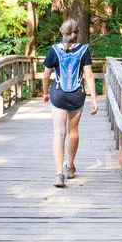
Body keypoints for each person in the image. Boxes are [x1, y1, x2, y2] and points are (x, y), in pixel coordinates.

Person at [41, 19, 97, 188]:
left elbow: (45, 76)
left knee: (59, 133)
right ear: (77, 33)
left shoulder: (54, 50)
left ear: (61, 32)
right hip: (76, 95)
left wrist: (45, 93)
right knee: (73, 131)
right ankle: (70, 167)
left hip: (58, 95)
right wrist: (94, 99)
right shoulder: (84, 50)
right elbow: (89, 76)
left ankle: (59, 175)